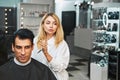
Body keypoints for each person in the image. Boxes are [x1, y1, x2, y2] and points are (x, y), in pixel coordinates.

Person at [31, 13, 70, 80]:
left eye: (55, 24)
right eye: (48, 23)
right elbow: (32, 60)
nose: (51, 26)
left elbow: (59, 67)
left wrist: (46, 53)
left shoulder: (62, 44)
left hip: (57, 77)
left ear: (57, 26)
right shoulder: (36, 40)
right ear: (43, 25)